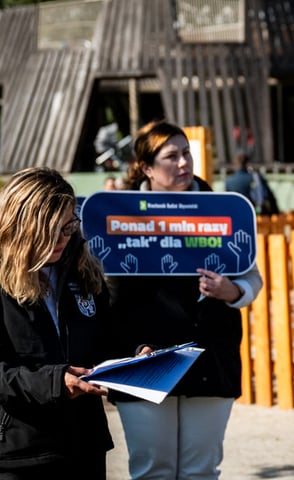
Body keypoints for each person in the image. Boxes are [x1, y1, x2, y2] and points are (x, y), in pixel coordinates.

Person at [108, 120, 263, 479]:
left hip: (209, 359)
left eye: (186, 153)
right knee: (152, 471)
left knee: (200, 471)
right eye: (171, 156)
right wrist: (131, 347)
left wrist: (233, 291)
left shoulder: (223, 210)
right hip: (143, 362)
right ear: (147, 168)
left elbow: (252, 277)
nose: (183, 163)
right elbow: (105, 294)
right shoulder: (120, 214)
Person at [0, 167, 113, 479]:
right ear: (22, 225)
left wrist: (137, 356)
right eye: (52, 230)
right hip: (21, 454)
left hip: (86, 446)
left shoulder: (84, 271)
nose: (64, 238)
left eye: (69, 226)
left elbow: (107, 339)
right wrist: (56, 382)